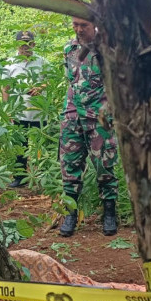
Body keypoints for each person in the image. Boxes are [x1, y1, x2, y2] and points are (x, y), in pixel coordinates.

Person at [58, 17, 118, 237]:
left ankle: (109, 213)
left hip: (99, 119)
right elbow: (71, 81)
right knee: (70, 166)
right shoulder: (69, 48)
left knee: (105, 166)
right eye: (75, 25)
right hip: (72, 116)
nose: (79, 29)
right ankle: (70, 214)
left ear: (95, 24)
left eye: (83, 25)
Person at [3, 30, 47, 188]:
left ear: (33, 44)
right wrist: (7, 109)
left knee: (42, 145)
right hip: (19, 111)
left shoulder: (42, 62)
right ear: (17, 45)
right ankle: (19, 177)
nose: (25, 47)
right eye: (22, 44)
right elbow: (5, 88)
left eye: (28, 43)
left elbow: (50, 80)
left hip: (39, 112)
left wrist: (40, 87)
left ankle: (44, 176)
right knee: (20, 145)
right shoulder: (10, 63)